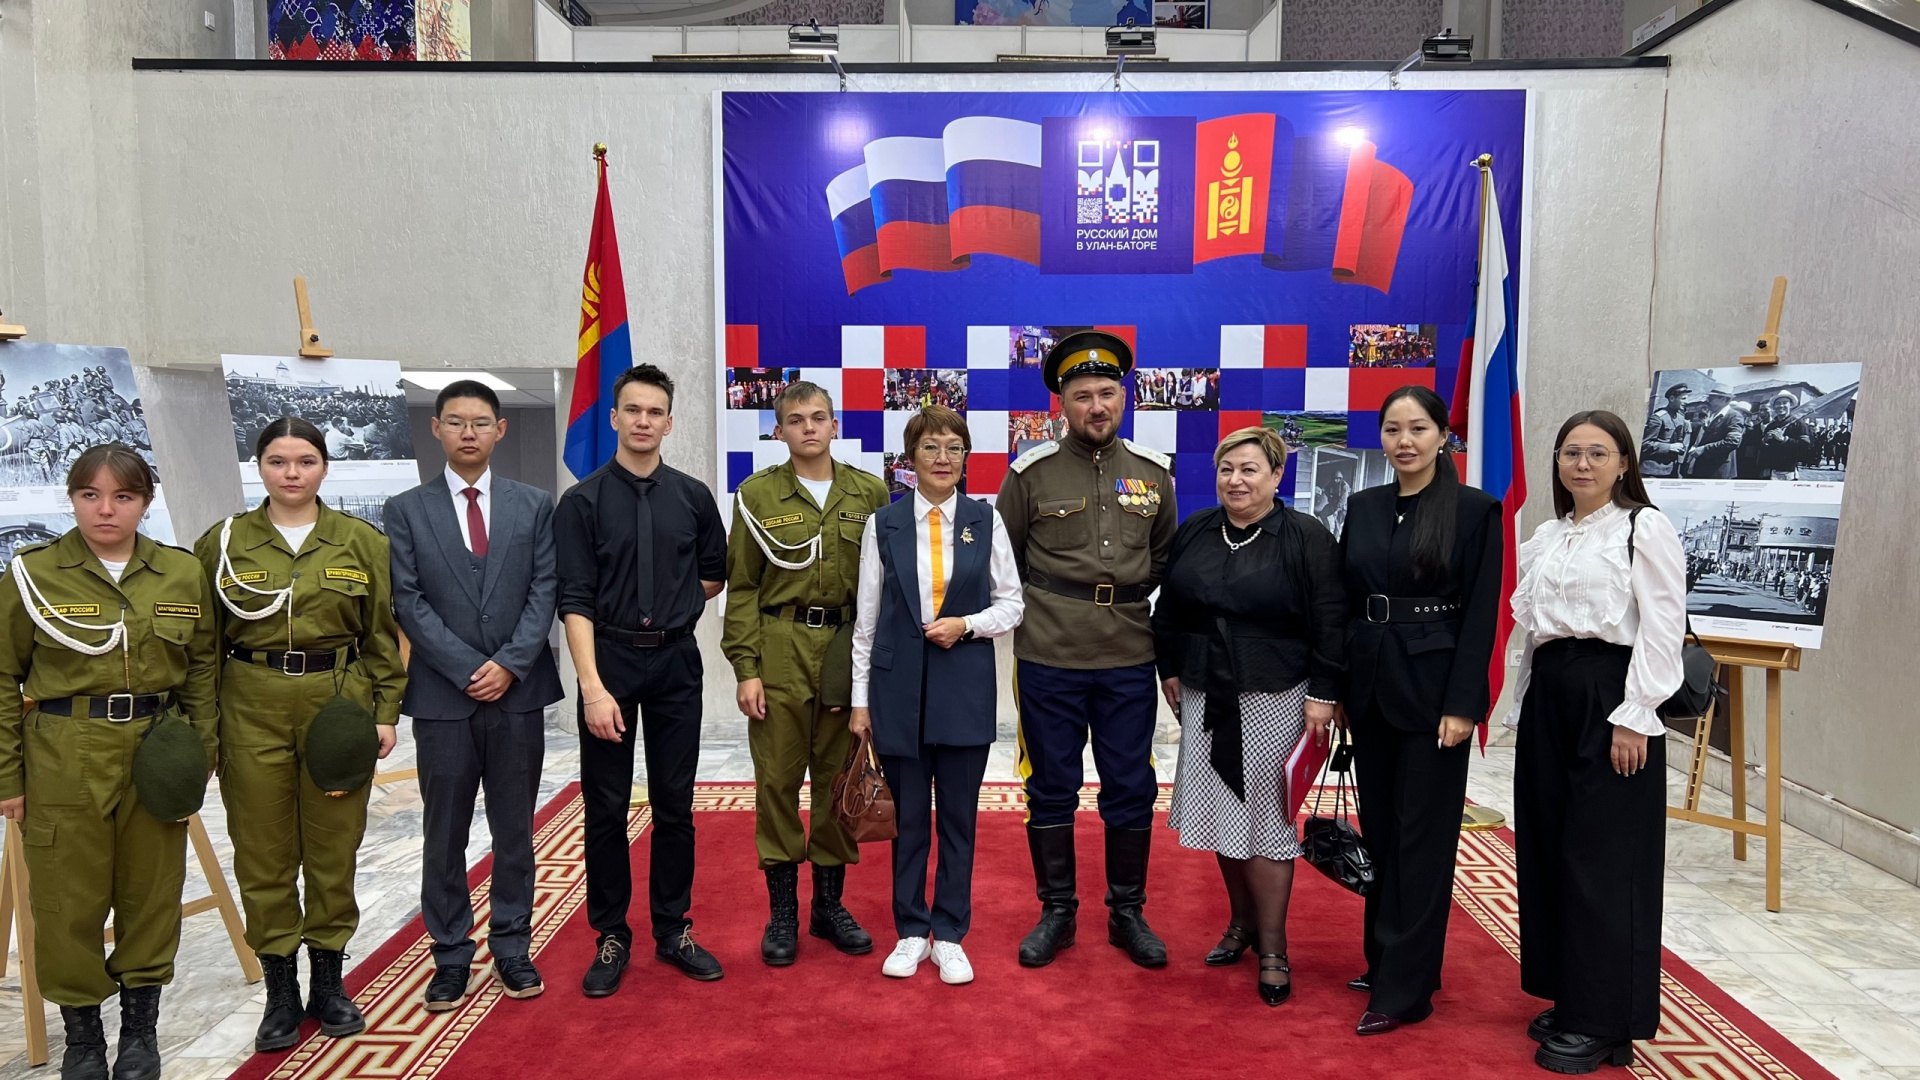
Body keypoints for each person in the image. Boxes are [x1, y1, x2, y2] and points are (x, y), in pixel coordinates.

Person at [0, 446, 218, 1080]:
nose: (105, 509)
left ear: (145, 503)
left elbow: (202, 667)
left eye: (123, 496)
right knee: (66, 898)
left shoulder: (180, 572)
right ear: (71, 499)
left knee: (152, 892)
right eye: (90, 495)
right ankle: (84, 1038)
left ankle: (140, 1033)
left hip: (157, 745)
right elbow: (3, 675)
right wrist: (8, 775)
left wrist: (201, 750)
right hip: (65, 748)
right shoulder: (32, 573)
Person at [194, 417, 406, 1052]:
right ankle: (280, 990)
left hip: (335, 703)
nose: (292, 473)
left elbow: (382, 635)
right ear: (258, 466)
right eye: (278, 461)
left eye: (306, 461)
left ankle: (329, 983)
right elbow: (203, 647)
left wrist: (385, 710)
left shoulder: (361, 541)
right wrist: (206, 731)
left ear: (324, 468)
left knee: (334, 845)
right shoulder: (223, 542)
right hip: (249, 702)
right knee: (263, 850)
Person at [1507, 410, 1685, 1074]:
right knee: (1550, 847)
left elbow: (1663, 623)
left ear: (1624, 463)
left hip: (1611, 694)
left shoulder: (1643, 527)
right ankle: (1574, 996)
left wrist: (1636, 714)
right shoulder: (1550, 534)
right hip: (1552, 694)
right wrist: (1520, 705)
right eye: (1571, 453)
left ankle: (1607, 1019)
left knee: (1604, 858)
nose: (1582, 464)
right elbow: (1537, 633)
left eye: (1598, 453)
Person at [996, 330, 1179, 970]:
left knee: (1131, 785)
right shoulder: (1030, 474)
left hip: (1128, 654)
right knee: (1050, 787)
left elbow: (1164, 559)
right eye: (1082, 396)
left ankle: (1128, 912)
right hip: (1049, 653)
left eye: (1106, 393)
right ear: (1062, 404)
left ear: (1123, 398)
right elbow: (1005, 561)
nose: (1096, 406)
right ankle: (1058, 912)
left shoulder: (1154, 474)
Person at [384, 380, 563, 1011]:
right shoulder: (406, 509)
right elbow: (408, 600)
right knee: (445, 833)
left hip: (517, 695)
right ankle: (451, 955)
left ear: (499, 430)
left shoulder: (533, 505)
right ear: (436, 428)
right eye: (455, 421)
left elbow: (546, 589)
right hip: (443, 697)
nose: (468, 432)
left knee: (515, 830)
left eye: (480, 422)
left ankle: (512, 946)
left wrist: (509, 664)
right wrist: (466, 667)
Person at [1153, 427, 1343, 1007]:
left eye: (1250, 469)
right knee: (1223, 813)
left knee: (1268, 821)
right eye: (1226, 469)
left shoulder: (1305, 536)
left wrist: (1325, 692)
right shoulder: (1197, 529)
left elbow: (1332, 619)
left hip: (1277, 695)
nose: (1236, 480)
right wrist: (1169, 667)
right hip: (1206, 691)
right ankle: (1241, 924)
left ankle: (1275, 948)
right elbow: (1170, 609)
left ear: (1276, 475)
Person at [556, 363, 728, 996]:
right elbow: (574, 600)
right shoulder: (582, 502)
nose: (643, 421)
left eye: (655, 412)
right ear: (614, 418)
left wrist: (671, 610)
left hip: (676, 664)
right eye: (633, 410)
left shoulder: (693, 497)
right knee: (604, 807)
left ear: (669, 423)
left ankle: (673, 929)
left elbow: (714, 573)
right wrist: (593, 687)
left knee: (675, 805)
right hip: (610, 663)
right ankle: (611, 935)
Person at [1337, 387, 1504, 1035]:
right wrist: (1343, 687)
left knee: (1422, 841)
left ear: (1442, 436)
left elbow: (1482, 614)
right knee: (1381, 834)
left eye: (1418, 428)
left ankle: (1406, 991)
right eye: (1392, 429)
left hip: (1435, 696)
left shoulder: (1473, 510)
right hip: (1371, 688)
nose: (1404, 441)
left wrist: (1465, 704)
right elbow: (1347, 600)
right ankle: (1385, 961)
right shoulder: (1365, 506)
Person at [847, 408, 1023, 985]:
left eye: (953, 447)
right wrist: (860, 702)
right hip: (897, 690)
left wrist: (966, 625)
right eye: (930, 447)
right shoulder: (884, 524)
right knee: (908, 824)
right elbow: (866, 622)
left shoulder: (985, 519)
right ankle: (910, 930)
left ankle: (948, 933)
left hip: (964, 686)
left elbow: (1012, 604)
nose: (942, 458)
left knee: (957, 820)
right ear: (910, 458)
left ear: (966, 457)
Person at [722, 381, 889, 966]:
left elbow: (884, 586)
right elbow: (742, 587)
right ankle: (783, 912)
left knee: (839, 776)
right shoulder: (756, 494)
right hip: (780, 646)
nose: (809, 427)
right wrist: (746, 668)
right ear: (779, 430)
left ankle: (828, 905)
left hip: (846, 645)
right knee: (777, 779)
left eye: (819, 417)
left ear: (835, 425)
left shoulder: (869, 492)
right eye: (796, 420)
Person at [1681, 388, 1745, 478]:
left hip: (1716, 470)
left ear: (1723, 399)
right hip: (1703, 468)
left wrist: (1704, 449)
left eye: (1711, 398)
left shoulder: (1734, 416)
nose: (1708, 401)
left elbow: (1733, 442)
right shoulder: (1713, 414)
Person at [1639, 384, 1692, 478]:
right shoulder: (1658, 418)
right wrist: (1669, 447)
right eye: (1683, 399)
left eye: (1687, 399)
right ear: (1672, 398)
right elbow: (1644, 445)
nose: (1687, 402)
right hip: (1653, 471)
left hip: (1671, 470)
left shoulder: (1681, 418)